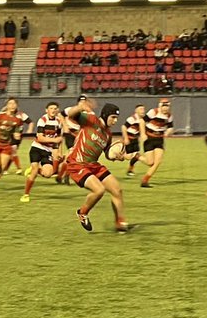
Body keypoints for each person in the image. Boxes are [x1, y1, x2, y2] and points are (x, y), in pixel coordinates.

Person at [63, 99, 130, 233]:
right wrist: (80, 107)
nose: (115, 121)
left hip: (93, 165)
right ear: (105, 115)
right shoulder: (91, 120)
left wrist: (119, 156)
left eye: (117, 118)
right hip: (77, 163)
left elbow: (108, 155)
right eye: (113, 117)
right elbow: (71, 115)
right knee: (99, 190)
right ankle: (82, 212)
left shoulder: (107, 134)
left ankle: (119, 222)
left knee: (117, 190)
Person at [21, 102, 64, 202]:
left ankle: (35, 169)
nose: (53, 110)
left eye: (55, 108)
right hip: (37, 148)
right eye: (51, 108)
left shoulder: (58, 122)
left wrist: (58, 153)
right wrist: (54, 141)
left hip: (48, 151)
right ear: (46, 110)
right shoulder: (43, 120)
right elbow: (40, 138)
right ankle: (26, 195)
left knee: (49, 174)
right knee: (34, 172)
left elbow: (58, 139)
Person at [0, 98, 24, 192]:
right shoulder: (0, 115)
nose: (12, 105)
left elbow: (17, 132)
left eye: (14, 103)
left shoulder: (18, 120)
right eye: (10, 103)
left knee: (1, 168)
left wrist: (17, 135)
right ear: (6, 106)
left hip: (7, 145)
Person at [139, 98, 174, 188]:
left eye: (167, 106)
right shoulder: (153, 112)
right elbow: (142, 121)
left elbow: (170, 127)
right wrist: (143, 134)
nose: (165, 109)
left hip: (159, 139)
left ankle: (145, 180)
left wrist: (168, 132)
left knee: (158, 161)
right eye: (164, 106)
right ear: (160, 106)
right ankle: (137, 156)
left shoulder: (169, 116)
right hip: (149, 138)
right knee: (150, 162)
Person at [121, 104, 146, 176]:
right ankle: (118, 155)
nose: (143, 111)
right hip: (129, 138)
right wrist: (125, 138)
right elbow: (124, 127)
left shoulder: (143, 119)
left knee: (136, 156)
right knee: (128, 156)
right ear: (136, 110)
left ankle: (130, 169)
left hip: (135, 139)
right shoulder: (132, 119)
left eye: (143, 109)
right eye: (141, 109)